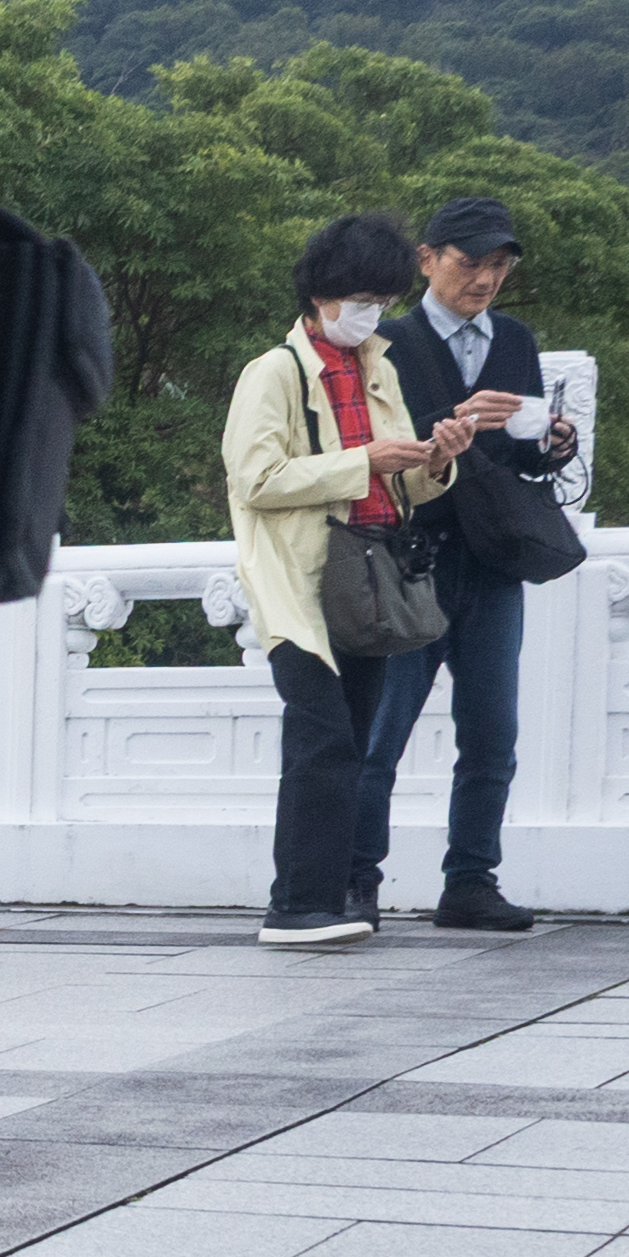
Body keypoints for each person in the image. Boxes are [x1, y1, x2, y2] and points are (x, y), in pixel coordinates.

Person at [226, 213, 466, 951]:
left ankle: (323, 896)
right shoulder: (274, 372)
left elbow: (407, 490)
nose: (367, 312)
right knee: (320, 739)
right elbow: (255, 478)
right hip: (297, 584)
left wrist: (437, 458)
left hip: (365, 578)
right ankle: (293, 904)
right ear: (319, 295)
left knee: (352, 742)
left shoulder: (377, 367)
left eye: (379, 299)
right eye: (356, 297)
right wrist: (364, 460)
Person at [353, 195, 567, 933]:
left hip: (493, 562)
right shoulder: (385, 343)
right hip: (411, 560)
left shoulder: (514, 339)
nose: (483, 278)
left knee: (491, 733)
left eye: (497, 264)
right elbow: (374, 449)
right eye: (468, 261)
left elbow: (515, 456)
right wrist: (445, 431)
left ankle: (470, 880)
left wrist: (551, 442)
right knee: (381, 732)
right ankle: (356, 881)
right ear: (427, 259)